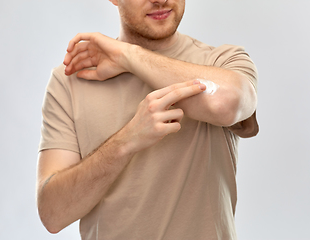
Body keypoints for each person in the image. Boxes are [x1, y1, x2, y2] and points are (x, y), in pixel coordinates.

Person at [36, 0, 259, 239]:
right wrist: (126, 141)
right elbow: (53, 215)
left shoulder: (223, 61)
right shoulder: (70, 80)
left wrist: (128, 56)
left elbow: (225, 104)